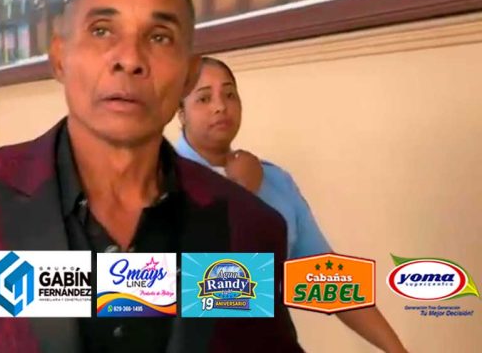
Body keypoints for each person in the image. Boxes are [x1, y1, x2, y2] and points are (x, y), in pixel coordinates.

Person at [0, 0, 303, 352]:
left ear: (188, 76)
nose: (129, 59)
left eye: (160, 37)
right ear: (60, 57)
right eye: (102, 30)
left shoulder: (250, 227)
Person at [175, 56, 408, 353]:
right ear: (180, 113)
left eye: (230, 94)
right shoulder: (155, 182)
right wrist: (243, 193)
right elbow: (141, 294)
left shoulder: (275, 180)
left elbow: (323, 276)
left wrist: (398, 350)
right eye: (204, 98)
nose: (220, 106)